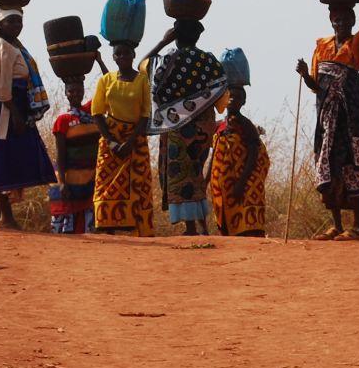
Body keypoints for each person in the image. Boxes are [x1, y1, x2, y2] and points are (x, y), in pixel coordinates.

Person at [294, 0, 359, 239]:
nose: (340, 23)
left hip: (351, 117)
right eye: (336, 20)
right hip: (327, 121)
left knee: (353, 166)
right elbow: (317, 86)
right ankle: (337, 226)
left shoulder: (357, 44)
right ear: (331, 21)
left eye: (344, 20)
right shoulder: (322, 45)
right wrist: (305, 74)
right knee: (328, 166)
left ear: (352, 21)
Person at [0, 9, 55, 228]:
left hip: (12, 105)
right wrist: (15, 113)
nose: (17, 25)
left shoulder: (13, 45)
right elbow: (0, 83)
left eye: (20, 21)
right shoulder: (1, 45)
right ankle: (6, 217)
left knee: (10, 155)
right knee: (2, 157)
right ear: (1, 23)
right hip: (4, 107)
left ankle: (0, 215)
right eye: (11, 21)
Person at [146, 18, 228, 236]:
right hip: (204, 126)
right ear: (198, 36)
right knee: (196, 172)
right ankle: (202, 226)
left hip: (178, 126)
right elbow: (221, 91)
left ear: (176, 35)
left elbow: (144, 66)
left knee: (181, 174)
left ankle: (191, 228)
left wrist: (163, 42)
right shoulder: (208, 60)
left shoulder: (169, 58)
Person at [90, 39, 156, 235]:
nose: (122, 57)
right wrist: (111, 141)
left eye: (126, 53)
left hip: (135, 138)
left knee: (139, 182)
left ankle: (139, 228)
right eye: (118, 54)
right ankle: (106, 226)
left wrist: (131, 141)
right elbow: (97, 112)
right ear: (113, 57)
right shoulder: (106, 80)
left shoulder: (142, 80)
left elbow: (145, 114)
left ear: (133, 55)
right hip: (111, 136)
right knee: (104, 182)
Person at [48, 51, 104, 235]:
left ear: (83, 91)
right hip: (70, 177)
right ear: (65, 94)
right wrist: (62, 182)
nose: (75, 94)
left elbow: (110, 88)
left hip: (90, 177)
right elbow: (61, 154)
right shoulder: (63, 121)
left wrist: (99, 61)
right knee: (67, 226)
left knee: (89, 227)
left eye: (78, 90)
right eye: (71, 91)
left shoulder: (91, 111)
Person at [208, 81, 271, 237]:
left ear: (243, 102)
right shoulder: (220, 126)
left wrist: (241, 183)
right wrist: (205, 180)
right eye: (229, 96)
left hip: (244, 183)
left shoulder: (246, 125)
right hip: (224, 186)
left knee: (248, 226)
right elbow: (214, 155)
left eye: (237, 98)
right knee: (228, 224)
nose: (232, 100)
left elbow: (253, 154)